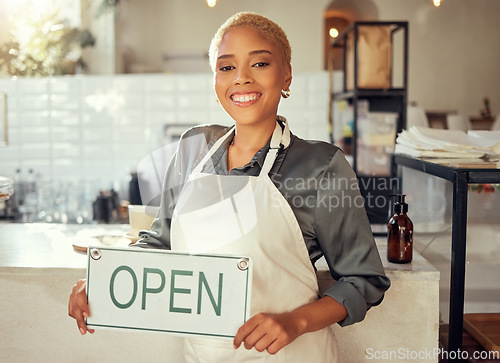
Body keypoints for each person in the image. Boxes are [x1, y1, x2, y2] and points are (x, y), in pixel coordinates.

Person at [69, 12, 390, 361]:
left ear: (286, 75)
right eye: (226, 67)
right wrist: (104, 278)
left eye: (260, 63)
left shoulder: (320, 165)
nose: (241, 78)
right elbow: (160, 243)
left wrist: (294, 321)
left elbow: (362, 279)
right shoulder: (193, 148)